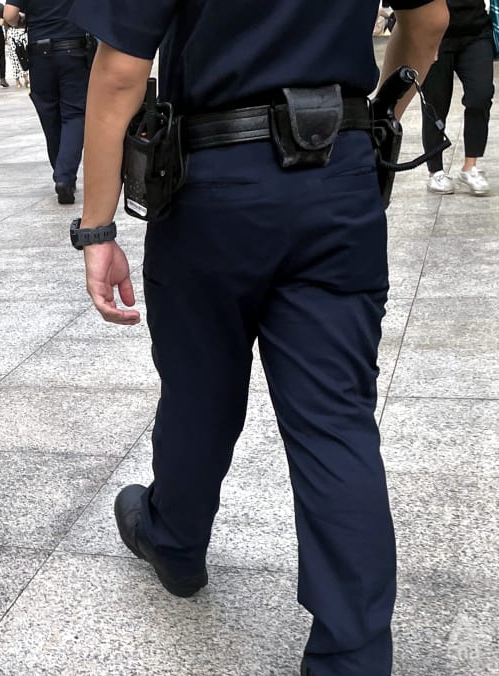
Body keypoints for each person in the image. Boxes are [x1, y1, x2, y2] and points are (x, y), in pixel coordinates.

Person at [66, 0, 447, 673]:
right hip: (340, 173)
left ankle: (175, 540)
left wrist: (97, 229)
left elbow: (121, 70)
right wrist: (380, 113)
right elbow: (431, 20)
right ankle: (353, 658)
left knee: (200, 394)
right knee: (336, 421)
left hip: (214, 179)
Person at [3, 0, 89, 204]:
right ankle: (64, 176)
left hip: (40, 54)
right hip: (75, 50)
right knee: (74, 114)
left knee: (49, 115)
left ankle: (62, 174)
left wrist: (22, 21)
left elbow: (9, 15)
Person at [421, 0, 494, 195]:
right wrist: (422, 35)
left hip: (476, 29)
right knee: (435, 103)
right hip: (434, 34)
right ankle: (435, 171)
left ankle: (470, 167)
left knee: (481, 94)